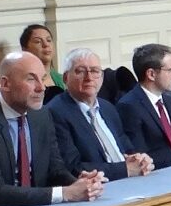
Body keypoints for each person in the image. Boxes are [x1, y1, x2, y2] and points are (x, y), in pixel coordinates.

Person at [0, 50, 104, 206]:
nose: (41, 87)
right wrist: (65, 193)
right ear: (5, 84)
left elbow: (55, 170)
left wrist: (79, 184)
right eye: (31, 79)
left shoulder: (41, 115)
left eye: (43, 78)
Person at [46, 49, 154, 181]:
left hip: (131, 180)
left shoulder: (108, 108)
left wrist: (139, 159)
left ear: (102, 78)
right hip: (99, 186)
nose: (89, 78)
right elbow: (73, 167)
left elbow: (127, 148)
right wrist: (125, 169)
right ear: (65, 78)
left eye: (95, 71)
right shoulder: (55, 112)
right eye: (80, 71)